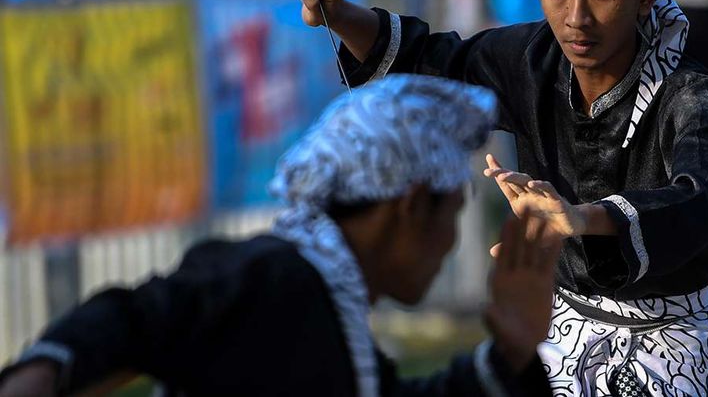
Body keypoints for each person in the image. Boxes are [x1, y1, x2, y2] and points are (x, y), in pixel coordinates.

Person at [291, 0, 708, 394]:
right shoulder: (530, 60)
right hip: (559, 332)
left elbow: (700, 198)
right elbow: (430, 62)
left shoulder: (691, 93)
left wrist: (580, 218)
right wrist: (338, 12)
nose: (576, 17)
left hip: (677, 348)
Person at [0, 75, 557, 396]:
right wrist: (37, 377)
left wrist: (508, 356)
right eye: (452, 215)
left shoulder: (329, 308)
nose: (449, 245)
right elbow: (136, 317)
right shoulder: (275, 279)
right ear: (410, 206)